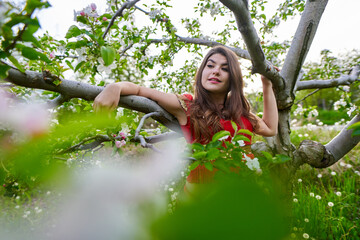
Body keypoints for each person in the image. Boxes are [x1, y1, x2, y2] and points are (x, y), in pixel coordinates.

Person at [93, 46, 278, 193]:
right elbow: (141, 91)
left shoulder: (239, 112)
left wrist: (266, 84)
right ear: (202, 71)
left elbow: (270, 128)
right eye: (210, 65)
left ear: (233, 78)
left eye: (225, 68)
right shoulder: (189, 106)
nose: (216, 72)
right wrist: (114, 87)